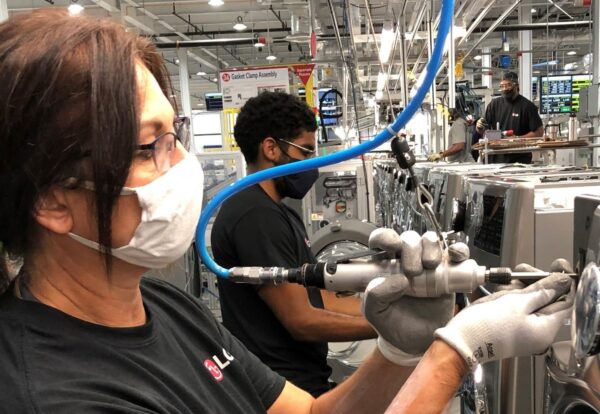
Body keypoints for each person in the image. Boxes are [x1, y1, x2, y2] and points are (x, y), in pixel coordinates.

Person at [0, 10, 573, 414]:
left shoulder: (160, 305)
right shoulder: (51, 393)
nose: (180, 167)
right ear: (51, 198)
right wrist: (453, 354)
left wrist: (399, 351)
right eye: (148, 147)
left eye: (174, 135)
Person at [211, 91, 378, 396]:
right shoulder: (254, 215)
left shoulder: (279, 211)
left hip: (302, 379)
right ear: (271, 148)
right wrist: (389, 327)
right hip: (280, 388)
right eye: (305, 152)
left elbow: (316, 298)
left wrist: (384, 307)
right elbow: (300, 320)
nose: (310, 164)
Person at [475, 71, 543, 164]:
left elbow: (539, 132)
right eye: (502, 86)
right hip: (495, 158)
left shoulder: (527, 106)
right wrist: (479, 127)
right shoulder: (494, 104)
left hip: (519, 159)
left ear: (516, 86)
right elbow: (484, 130)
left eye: (508, 85)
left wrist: (518, 138)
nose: (505, 89)